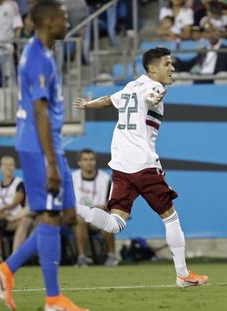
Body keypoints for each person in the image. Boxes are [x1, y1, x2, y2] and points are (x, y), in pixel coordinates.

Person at [73, 47, 208, 289]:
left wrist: (87, 104)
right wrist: (154, 97)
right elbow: (152, 95)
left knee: (116, 224)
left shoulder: (129, 87)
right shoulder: (153, 88)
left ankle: (76, 209)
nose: (172, 68)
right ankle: (182, 275)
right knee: (170, 217)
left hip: (120, 165)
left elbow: (107, 101)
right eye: (167, 64)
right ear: (152, 68)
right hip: (143, 164)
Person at [0, 1, 88, 311]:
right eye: (63, 17)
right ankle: (53, 299)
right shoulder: (36, 58)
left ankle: (6, 269)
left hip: (50, 145)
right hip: (38, 146)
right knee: (49, 216)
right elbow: (40, 111)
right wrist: (50, 163)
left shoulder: (44, 52)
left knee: (67, 215)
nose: (67, 20)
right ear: (48, 22)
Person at [72, 149, 118, 267]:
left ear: (95, 161)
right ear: (79, 163)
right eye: (85, 160)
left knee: (107, 219)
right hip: (78, 216)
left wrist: (102, 207)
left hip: (98, 215)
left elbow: (112, 203)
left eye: (91, 159)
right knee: (80, 219)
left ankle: (112, 255)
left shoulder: (105, 178)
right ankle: (81, 257)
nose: (89, 162)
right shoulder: (73, 178)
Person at [0, 155, 33, 260]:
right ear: (0, 168)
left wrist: (1, 210)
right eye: (6, 165)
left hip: (15, 217)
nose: (9, 167)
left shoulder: (19, 183)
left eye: (11, 165)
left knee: (23, 221)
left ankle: (15, 254)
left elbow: (15, 203)